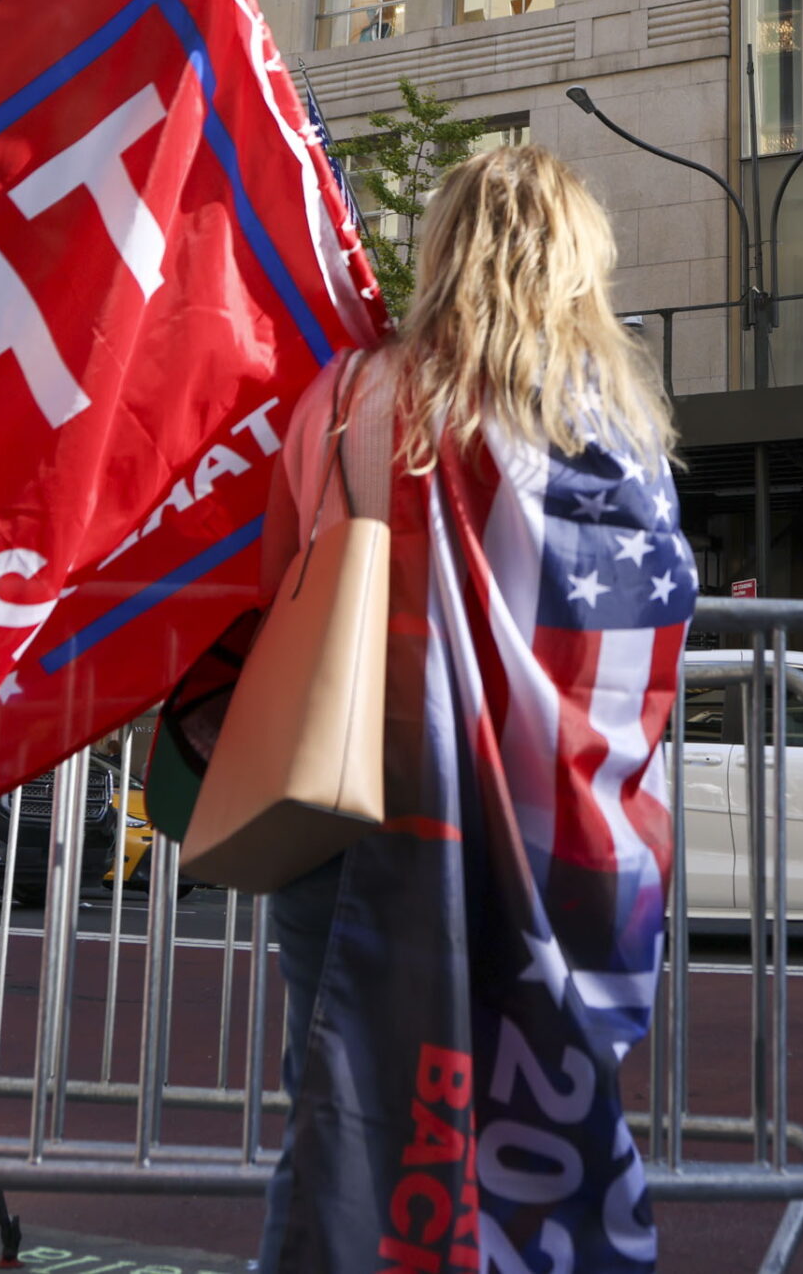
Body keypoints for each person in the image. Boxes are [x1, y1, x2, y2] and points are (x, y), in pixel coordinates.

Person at [254, 146, 691, 1274]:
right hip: (559, 840)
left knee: (345, 1126)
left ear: (443, 249)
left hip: (351, 809)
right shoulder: (619, 437)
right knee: (531, 1115)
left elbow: (279, 587)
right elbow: (643, 631)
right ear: (577, 264)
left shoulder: (346, 394)